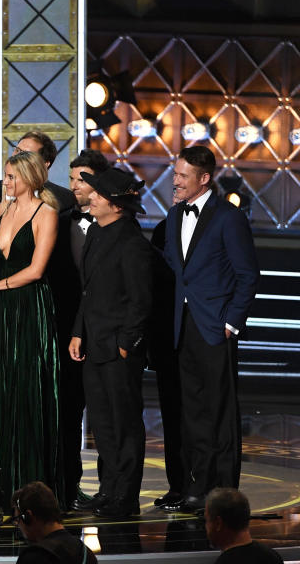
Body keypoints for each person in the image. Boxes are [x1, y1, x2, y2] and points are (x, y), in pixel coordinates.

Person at [162, 146, 259, 513]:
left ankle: (223, 493)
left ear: (204, 178)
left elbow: (248, 275)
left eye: (183, 176)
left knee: (219, 412)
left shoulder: (228, 218)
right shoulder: (174, 216)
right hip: (183, 327)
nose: (175, 180)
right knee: (192, 412)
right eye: (175, 173)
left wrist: (231, 323)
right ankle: (197, 485)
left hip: (216, 327)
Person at [0, 150, 64, 509]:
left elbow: (37, 270)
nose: (5, 183)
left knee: (27, 391)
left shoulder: (46, 213)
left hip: (30, 307)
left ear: (31, 177)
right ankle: (4, 483)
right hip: (4, 310)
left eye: (11, 177)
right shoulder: (3, 210)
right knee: (3, 391)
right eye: (6, 176)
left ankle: (34, 486)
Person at [68, 168, 153, 518]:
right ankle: (108, 488)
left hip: (118, 349)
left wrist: (125, 343)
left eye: (99, 195)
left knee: (124, 424)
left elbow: (141, 300)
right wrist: (78, 331)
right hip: (94, 343)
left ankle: (125, 496)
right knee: (102, 424)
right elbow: (87, 292)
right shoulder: (98, 235)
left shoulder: (131, 242)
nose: (92, 197)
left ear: (116, 205)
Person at [45, 149, 111, 511]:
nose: (73, 187)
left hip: (102, 334)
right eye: (71, 179)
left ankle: (109, 491)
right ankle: (67, 487)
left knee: (105, 418)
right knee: (67, 415)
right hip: (64, 333)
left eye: (80, 179)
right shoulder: (60, 219)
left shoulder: (116, 224)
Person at [148, 191, 185, 511]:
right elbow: (156, 289)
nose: (175, 188)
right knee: (172, 415)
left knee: (199, 415)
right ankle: (178, 486)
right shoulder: (162, 230)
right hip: (167, 340)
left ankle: (202, 485)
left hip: (202, 337)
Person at [0, 131, 76, 228]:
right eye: (17, 150)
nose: (17, 156)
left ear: (45, 164)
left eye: (25, 154)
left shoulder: (64, 199)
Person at [13, 482, 98, 564]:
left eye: (18, 519)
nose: (18, 525)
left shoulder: (34, 557)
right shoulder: (86, 553)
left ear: (28, 516)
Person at [205, 488, 284, 563]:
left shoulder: (225, 561)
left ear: (218, 523)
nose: (206, 527)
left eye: (207, 520)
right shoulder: (272, 557)